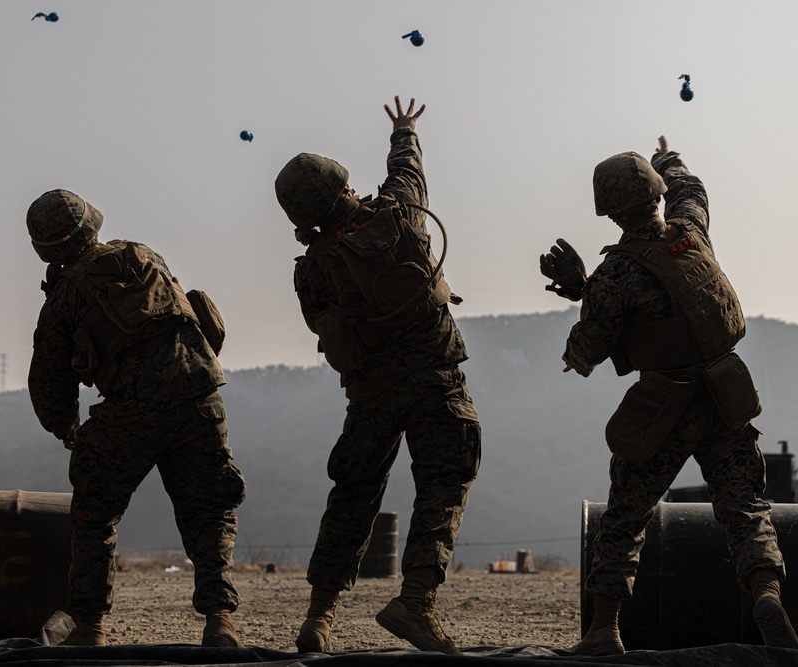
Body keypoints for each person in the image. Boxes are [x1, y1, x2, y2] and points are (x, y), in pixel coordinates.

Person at [541, 136, 798, 655]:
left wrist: (583, 290)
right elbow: (693, 189)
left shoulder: (614, 275)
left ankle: (603, 629)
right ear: (658, 195)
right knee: (745, 506)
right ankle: (766, 593)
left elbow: (586, 354)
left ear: (609, 211)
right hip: (725, 394)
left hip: (664, 405)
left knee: (627, 514)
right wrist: (669, 160)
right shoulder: (692, 232)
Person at [274, 96, 481, 656]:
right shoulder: (400, 212)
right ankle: (414, 603)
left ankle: (319, 617)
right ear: (343, 185)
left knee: (353, 496)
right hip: (437, 381)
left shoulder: (312, 269)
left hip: (370, 396)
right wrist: (404, 131)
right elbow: (408, 170)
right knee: (444, 483)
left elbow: (325, 334)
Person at [26, 189, 246, 647]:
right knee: (209, 509)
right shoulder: (141, 255)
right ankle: (219, 619)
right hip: (200, 394)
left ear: (44, 248)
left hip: (131, 410)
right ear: (91, 225)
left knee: (93, 515)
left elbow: (49, 387)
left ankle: (89, 627)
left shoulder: (62, 300)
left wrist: (71, 432)